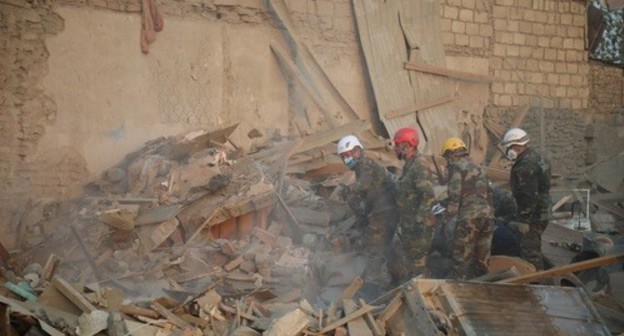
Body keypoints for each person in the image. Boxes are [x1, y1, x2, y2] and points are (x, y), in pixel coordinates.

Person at [336, 135, 399, 286]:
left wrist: (348, 191)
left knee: (374, 248)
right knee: (383, 247)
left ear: (358, 151)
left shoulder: (366, 165)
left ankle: (376, 283)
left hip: (384, 211)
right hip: (381, 210)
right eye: (344, 156)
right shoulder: (360, 167)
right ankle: (391, 278)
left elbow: (362, 185)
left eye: (350, 154)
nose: (347, 159)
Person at [438, 137, 495, 279]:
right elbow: (489, 193)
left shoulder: (456, 167)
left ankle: (458, 292)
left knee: (461, 259)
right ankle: (482, 290)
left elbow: (455, 197)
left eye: (446, 157)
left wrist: (447, 223)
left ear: (450, 154)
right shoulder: (478, 167)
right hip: (488, 217)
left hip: (469, 218)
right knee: (482, 260)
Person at [502, 128, 552, 270]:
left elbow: (528, 195)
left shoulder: (524, 167)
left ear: (516, 147)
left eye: (508, 148)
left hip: (533, 216)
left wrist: (524, 220)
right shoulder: (537, 157)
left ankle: (536, 284)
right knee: (534, 246)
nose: (507, 152)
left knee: (531, 254)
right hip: (543, 210)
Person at [390, 127, 436, 281]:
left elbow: (428, 194)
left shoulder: (419, 165)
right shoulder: (410, 165)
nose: (395, 148)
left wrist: (419, 221)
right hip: (409, 225)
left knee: (417, 267)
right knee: (412, 264)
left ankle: (422, 298)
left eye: (397, 145)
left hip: (418, 227)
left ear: (407, 146)